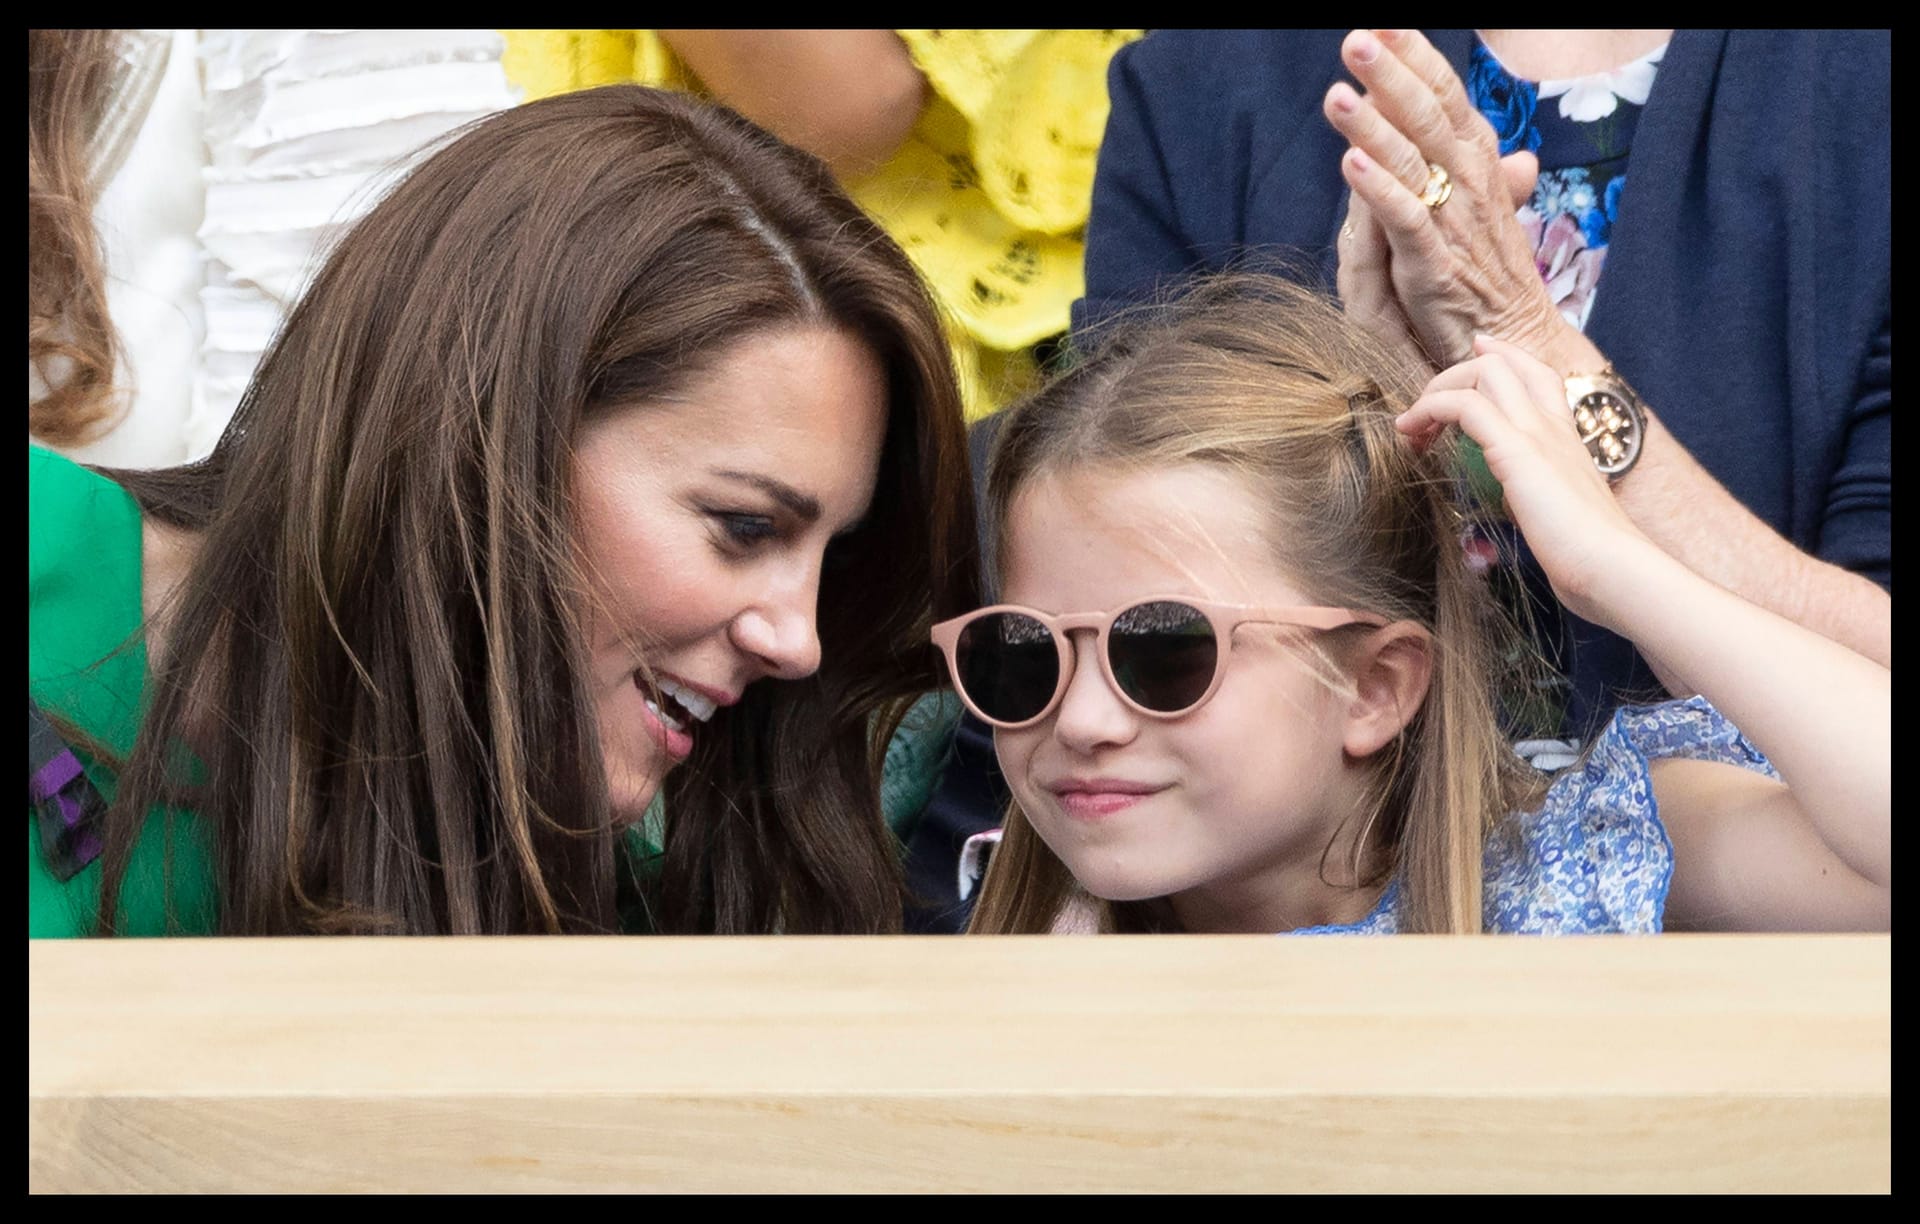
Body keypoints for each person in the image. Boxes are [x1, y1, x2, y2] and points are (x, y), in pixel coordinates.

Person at [29, 84, 981, 937]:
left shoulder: (616, 902)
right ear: (482, 431)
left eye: (829, 554)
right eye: (744, 527)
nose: (799, 641)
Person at [945, 277, 1887, 935]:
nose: (1083, 720)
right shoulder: (1029, 966)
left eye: (1163, 652)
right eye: (1024, 655)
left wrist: (1614, 566)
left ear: (1375, 687)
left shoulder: (1566, 869)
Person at [1080, 29, 1890, 740]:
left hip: (1769, 887)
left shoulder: (1859, 84)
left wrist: (1532, 344)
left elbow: (1871, 705)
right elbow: (1111, 603)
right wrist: (1361, 419)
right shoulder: (1205, 77)